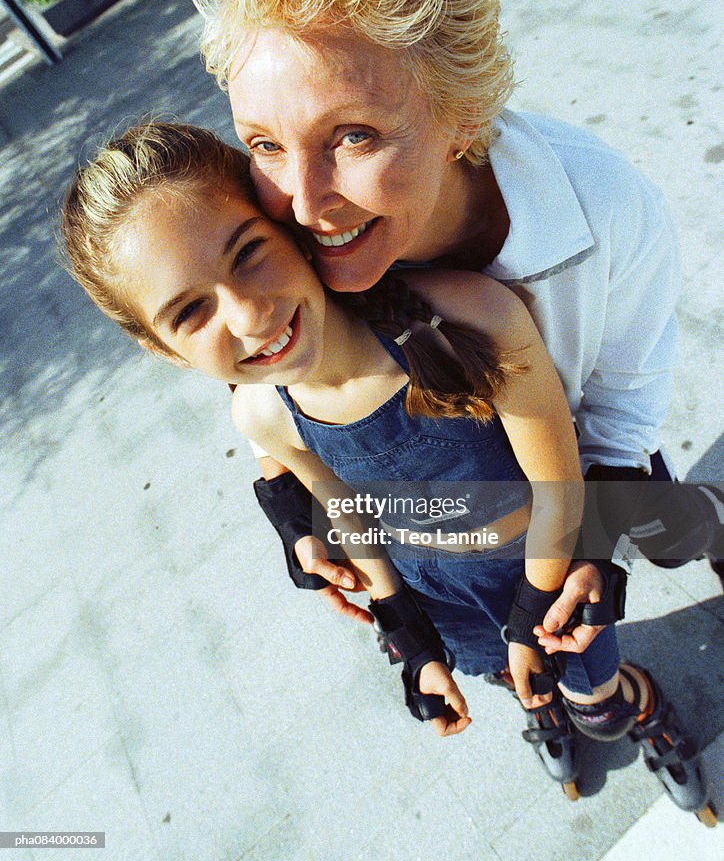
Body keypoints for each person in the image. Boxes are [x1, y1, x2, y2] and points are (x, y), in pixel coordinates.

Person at [60, 122, 715, 818]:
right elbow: (346, 511)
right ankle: (547, 704)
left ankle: (631, 707)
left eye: (248, 252)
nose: (250, 316)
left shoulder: (467, 320)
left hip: (547, 578)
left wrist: (529, 619)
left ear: (287, 224)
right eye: (190, 312)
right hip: (444, 597)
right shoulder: (262, 416)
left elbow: (560, 490)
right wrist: (409, 638)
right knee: (505, 678)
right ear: (160, 348)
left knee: (595, 701)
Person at [187, 0, 723, 635]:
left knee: (665, 534)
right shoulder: (275, 229)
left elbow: (625, 391)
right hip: (489, 521)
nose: (303, 202)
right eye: (264, 142)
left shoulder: (605, 205)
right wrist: (288, 498)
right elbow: (259, 367)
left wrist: (595, 537)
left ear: (463, 115)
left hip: (593, 457)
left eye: (354, 135)